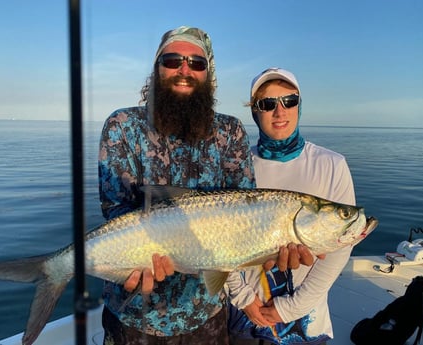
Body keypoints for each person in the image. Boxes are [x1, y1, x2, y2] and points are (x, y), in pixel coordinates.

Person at [97, 26, 256, 345]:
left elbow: (246, 216)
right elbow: (117, 210)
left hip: (206, 316)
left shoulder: (230, 132)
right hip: (133, 316)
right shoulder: (123, 126)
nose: (184, 70)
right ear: (156, 68)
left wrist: (276, 242)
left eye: (197, 63)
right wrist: (134, 256)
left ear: (208, 74)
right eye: (173, 60)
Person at [226, 67, 356, 345]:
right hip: (244, 317)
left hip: (308, 322)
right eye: (268, 104)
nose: (280, 111)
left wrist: (291, 307)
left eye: (289, 101)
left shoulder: (331, 164)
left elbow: (340, 248)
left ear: (300, 104)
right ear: (255, 112)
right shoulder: (237, 169)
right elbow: (218, 242)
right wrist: (244, 299)